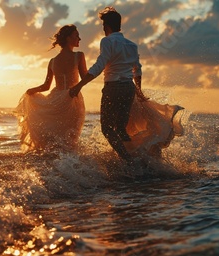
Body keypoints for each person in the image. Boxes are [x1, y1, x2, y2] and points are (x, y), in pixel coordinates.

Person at [69, 7, 184, 162]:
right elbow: (137, 70)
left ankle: (128, 160)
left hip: (113, 88)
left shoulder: (107, 41)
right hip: (128, 89)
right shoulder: (131, 45)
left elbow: (99, 65)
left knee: (108, 129)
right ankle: (139, 156)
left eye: (104, 27)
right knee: (122, 129)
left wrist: (79, 85)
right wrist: (138, 90)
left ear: (106, 27)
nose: (103, 30)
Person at [15, 24, 87, 152]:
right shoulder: (79, 56)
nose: (79, 38)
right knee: (71, 138)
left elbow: (45, 86)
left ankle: (56, 163)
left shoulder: (53, 61)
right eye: (76, 35)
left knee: (57, 135)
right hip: (73, 98)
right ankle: (71, 164)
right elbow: (86, 77)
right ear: (68, 38)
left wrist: (32, 90)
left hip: (56, 99)